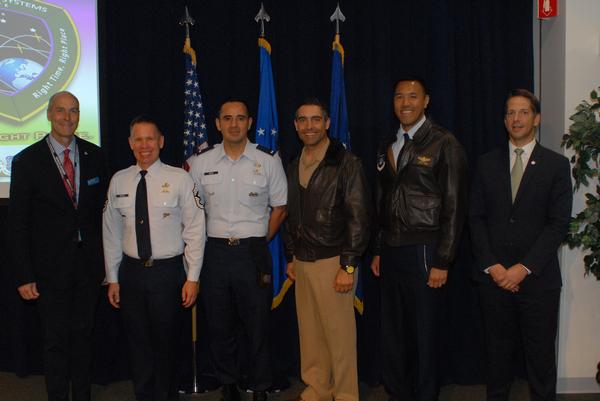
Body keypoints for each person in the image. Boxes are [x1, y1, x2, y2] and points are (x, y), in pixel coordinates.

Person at [469, 89, 572, 401]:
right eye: (511, 113)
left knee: (540, 362)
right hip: (494, 279)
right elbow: (475, 218)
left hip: (538, 281)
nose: (516, 118)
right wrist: (495, 267)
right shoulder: (486, 164)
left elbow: (558, 225)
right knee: (497, 361)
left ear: (536, 119)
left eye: (524, 112)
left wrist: (522, 269)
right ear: (504, 120)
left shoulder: (556, 165)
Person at [371, 77, 468, 401]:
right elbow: (381, 201)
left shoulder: (444, 143)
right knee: (394, 334)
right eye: (399, 96)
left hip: (426, 251)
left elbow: (455, 207)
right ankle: (398, 394)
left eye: (413, 96)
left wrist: (443, 260)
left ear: (426, 101)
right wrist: (378, 249)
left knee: (425, 335)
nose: (406, 102)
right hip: (392, 250)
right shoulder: (389, 142)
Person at [9, 91, 107, 401]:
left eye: (74, 111)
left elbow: (102, 217)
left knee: (83, 340)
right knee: (54, 343)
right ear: (49, 114)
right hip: (49, 271)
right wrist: (24, 275)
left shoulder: (96, 156)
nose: (67, 117)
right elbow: (18, 223)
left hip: (87, 269)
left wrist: (107, 267)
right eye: (61, 111)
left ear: (80, 116)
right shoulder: (26, 160)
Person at [189, 99, 287, 401]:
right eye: (227, 118)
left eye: (240, 118)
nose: (234, 124)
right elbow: (193, 212)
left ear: (249, 122)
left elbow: (280, 207)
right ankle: (228, 385)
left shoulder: (268, 160)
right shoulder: (200, 163)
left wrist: (259, 240)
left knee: (257, 324)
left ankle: (259, 386)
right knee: (219, 324)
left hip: (252, 253)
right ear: (217, 123)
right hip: (215, 253)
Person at [103, 116, 205, 401]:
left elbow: (196, 230)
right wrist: (113, 278)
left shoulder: (179, 179)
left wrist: (192, 277)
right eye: (138, 139)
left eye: (150, 139)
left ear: (161, 142)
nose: (144, 145)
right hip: (132, 273)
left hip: (167, 273)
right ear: (130, 143)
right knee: (137, 345)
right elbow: (110, 233)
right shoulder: (119, 180)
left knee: (166, 345)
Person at [284, 99, 370, 401]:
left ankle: (346, 394)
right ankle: (317, 388)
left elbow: (359, 218)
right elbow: (290, 214)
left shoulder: (347, 163)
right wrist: (290, 255)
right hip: (303, 262)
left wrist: (348, 266)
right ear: (296, 125)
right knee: (310, 335)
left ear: (327, 123)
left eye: (316, 120)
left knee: (340, 337)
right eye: (303, 120)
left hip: (334, 261)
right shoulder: (294, 164)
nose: (310, 126)